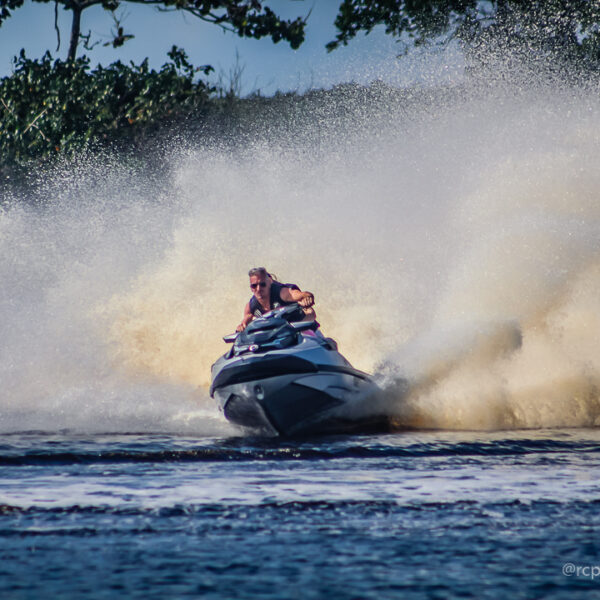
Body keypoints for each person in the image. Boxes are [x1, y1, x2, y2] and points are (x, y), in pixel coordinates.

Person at [236, 267, 316, 332]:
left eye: (262, 284)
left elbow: (301, 295)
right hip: (278, 337)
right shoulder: (251, 306)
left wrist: (307, 297)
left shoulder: (282, 293)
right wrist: (241, 327)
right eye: (254, 286)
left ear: (270, 282)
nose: (258, 289)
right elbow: (244, 323)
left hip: (303, 329)